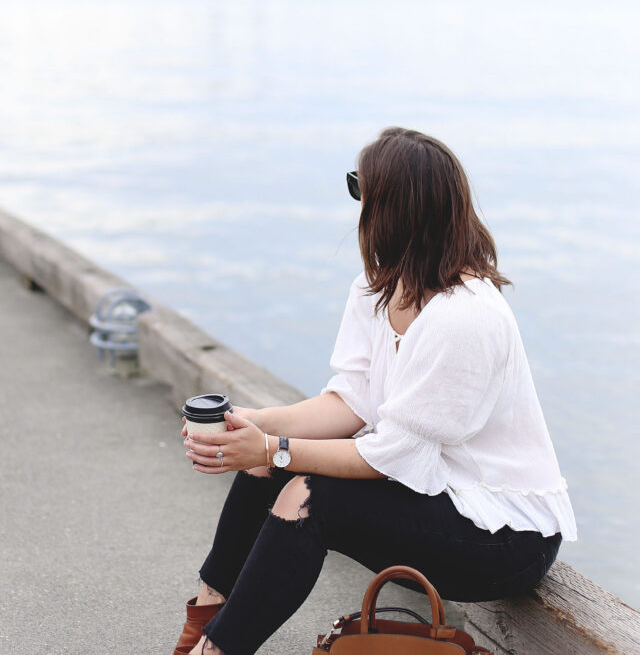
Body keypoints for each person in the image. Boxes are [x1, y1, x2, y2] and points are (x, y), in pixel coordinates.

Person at [173, 127, 578, 655]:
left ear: (392, 208)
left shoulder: (465, 317)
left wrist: (274, 446)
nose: (356, 204)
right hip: (433, 490)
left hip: (501, 534)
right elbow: (351, 401)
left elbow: (392, 457)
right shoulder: (379, 286)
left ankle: (216, 651)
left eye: (359, 188)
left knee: (308, 496)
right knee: (264, 465)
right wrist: (255, 425)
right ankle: (202, 624)